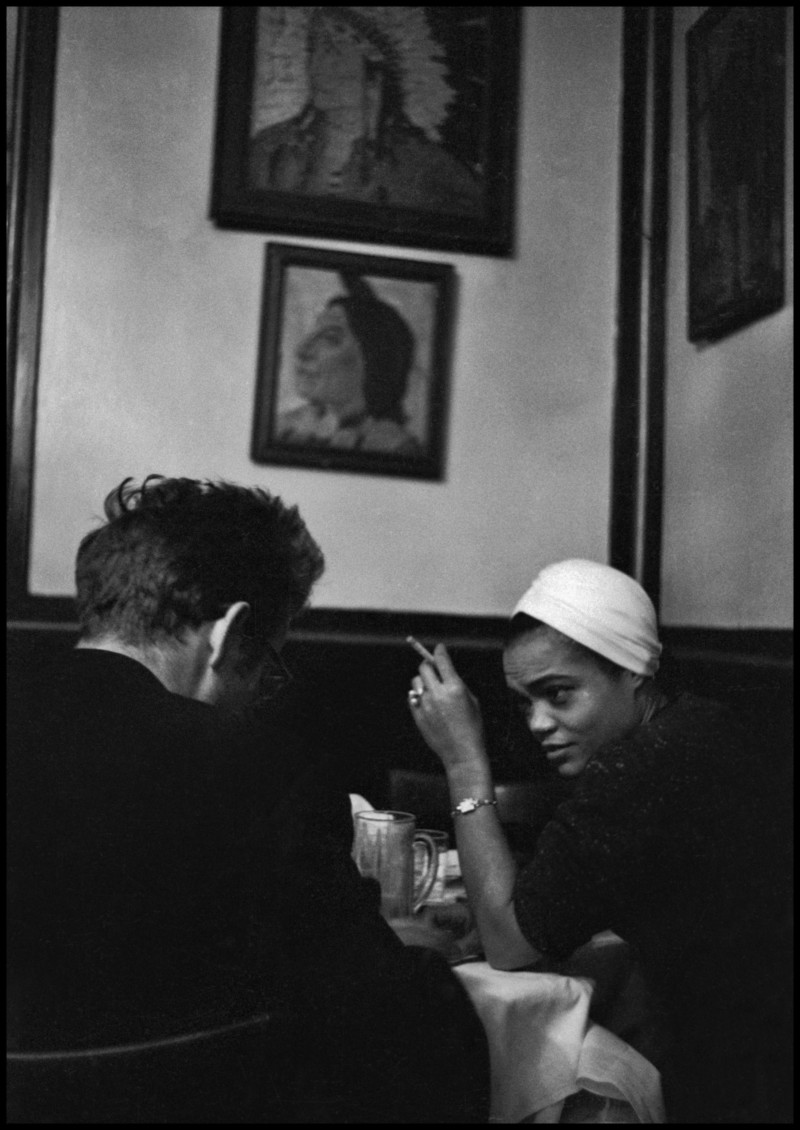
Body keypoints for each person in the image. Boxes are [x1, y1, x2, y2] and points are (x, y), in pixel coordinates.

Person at [7, 475, 489, 1124]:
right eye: (267, 663)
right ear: (230, 633)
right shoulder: (264, 770)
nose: (260, 689)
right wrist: (407, 956)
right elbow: (375, 1007)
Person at [406, 559, 792, 1124]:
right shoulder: (703, 726)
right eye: (526, 702)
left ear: (632, 671)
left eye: (559, 694)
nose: (538, 723)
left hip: (740, 1079)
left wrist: (464, 761)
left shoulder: (641, 770)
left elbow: (510, 944)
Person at [249, 7, 482, 216]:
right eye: (312, 49)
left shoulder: (425, 165)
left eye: (333, 51)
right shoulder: (268, 149)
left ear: (375, 70)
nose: (316, 66)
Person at [277, 272, 422, 456]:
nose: (302, 349)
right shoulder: (286, 429)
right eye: (313, 333)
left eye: (330, 339)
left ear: (374, 363)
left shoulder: (396, 448)